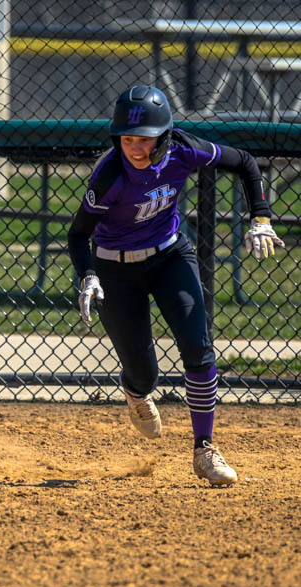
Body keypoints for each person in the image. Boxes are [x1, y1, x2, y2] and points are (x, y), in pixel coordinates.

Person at [69, 85, 285, 486]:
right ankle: (135, 392)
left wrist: (261, 216)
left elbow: (245, 162)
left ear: (164, 135)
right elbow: (78, 235)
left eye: (144, 139)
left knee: (197, 346)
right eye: (127, 138)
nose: (134, 147)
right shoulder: (111, 175)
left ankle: (205, 449)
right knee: (143, 373)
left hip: (169, 255)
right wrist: (89, 276)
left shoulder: (185, 149)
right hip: (115, 268)